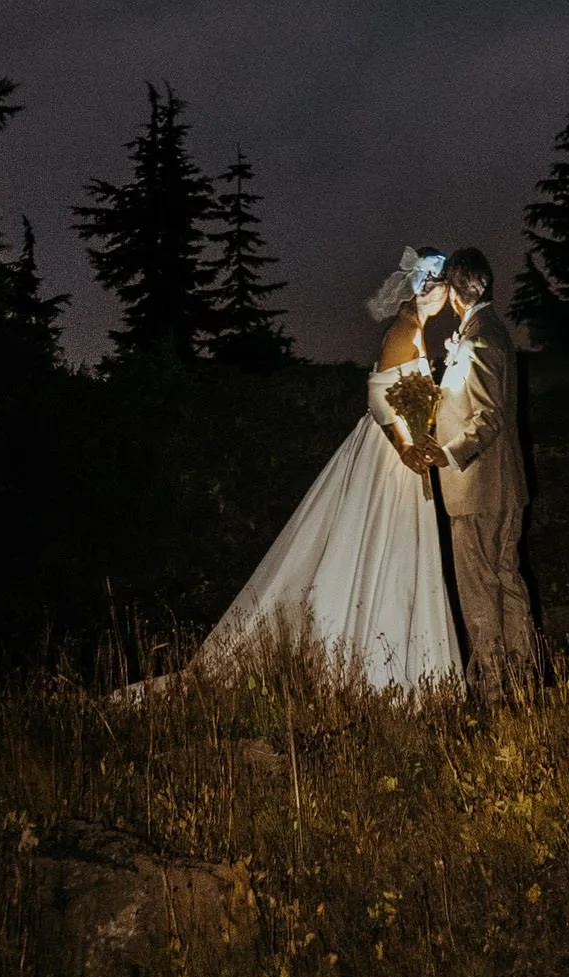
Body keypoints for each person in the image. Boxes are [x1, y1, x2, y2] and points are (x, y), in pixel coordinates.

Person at [186, 246, 463, 690]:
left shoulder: (416, 332)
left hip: (403, 454)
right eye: (438, 286)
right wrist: (405, 446)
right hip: (389, 458)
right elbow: (378, 398)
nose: (442, 295)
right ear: (424, 290)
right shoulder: (403, 332)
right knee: (381, 548)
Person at [419, 244, 543, 699]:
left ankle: (493, 685)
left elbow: (487, 417)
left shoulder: (479, 338)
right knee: (507, 579)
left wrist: (447, 454)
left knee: (480, 587)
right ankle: (523, 677)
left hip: (478, 489)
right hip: (506, 487)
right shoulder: (492, 330)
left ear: (455, 291)